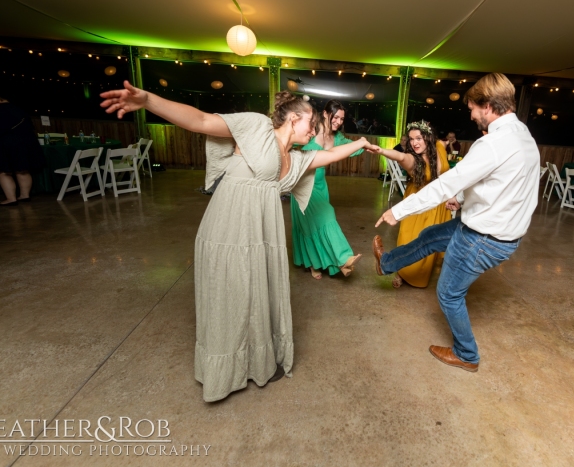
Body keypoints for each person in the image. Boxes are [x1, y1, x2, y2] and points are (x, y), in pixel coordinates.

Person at [100, 83, 373, 402]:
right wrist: (148, 100)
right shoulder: (256, 127)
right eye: (312, 123)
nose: (315, 130)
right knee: (231, 299)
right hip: (228, 233)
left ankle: (257, 363)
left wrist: (362, 143)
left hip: (262, 239)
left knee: (258, 297)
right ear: (295, 118)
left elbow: (327, 156)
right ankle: (223, 375)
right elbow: (201, 121)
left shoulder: (296, 157)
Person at [370, 73, 540, 372]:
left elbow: (443, 184)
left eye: (473, 108)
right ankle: (387, 263)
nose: (472, 115)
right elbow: (498, 180)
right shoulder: (522, 133)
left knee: (449, 294)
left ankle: (466, 354)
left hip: (484, 236)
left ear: (487, 106)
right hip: (490, 228)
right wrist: (462, 198)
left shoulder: (494, 143)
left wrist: (399, 211)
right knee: (432, 235)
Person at [369, 121, 451, 288]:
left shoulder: (439, 147)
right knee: (412, 238)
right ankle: (401, 271)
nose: (414, 143)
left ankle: (421, 275)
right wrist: (382, 151)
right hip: (419, 203)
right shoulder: (413, 159)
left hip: (439, 204)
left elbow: (442, 144)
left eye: (419, 138)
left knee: (431, 241)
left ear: (428, 138)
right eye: (411, 139)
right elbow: (400, 156)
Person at [291, 100, 364, 280]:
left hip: (321, 184)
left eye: (341, 119)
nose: (338, 122)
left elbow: (352, 148)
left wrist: (367, 145)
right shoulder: (310, 129)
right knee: (324, 217)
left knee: (314, 224)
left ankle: (315, 264)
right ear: (325, 113)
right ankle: (343, 259)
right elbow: (290, 142)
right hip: (303, 184)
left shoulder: (337, 138)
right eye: (336, 117)